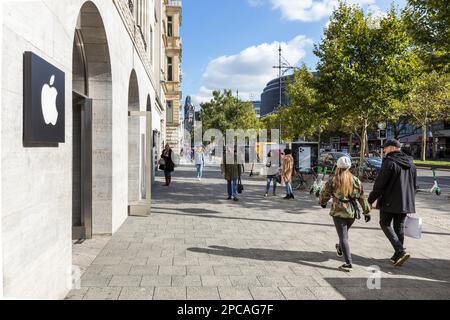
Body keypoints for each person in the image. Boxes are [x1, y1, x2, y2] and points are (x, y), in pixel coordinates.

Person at [368, 139, 417, 267]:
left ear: (392, 148)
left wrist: (370, 200)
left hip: (389, 201)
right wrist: (409, 199)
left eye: (385, 148)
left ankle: (400, 251)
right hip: (406, 201)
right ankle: (397, 256)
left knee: (384, 223)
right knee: (399, 227)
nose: (383, 150)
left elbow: (379, 185)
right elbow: (414, 185)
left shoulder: (389, 162)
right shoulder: (411, 163)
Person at [320, 156, 371, 272]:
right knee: (343, 234)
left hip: (338, 212)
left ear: (337, 166)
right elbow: (362, 197)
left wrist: (322, 203)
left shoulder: (334, 179)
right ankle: (340, 248)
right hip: (351, 212)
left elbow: (325, 193)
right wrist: (366, 212)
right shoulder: (355, 180)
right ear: (349, 167)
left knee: (343, 236)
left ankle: (348, 263)